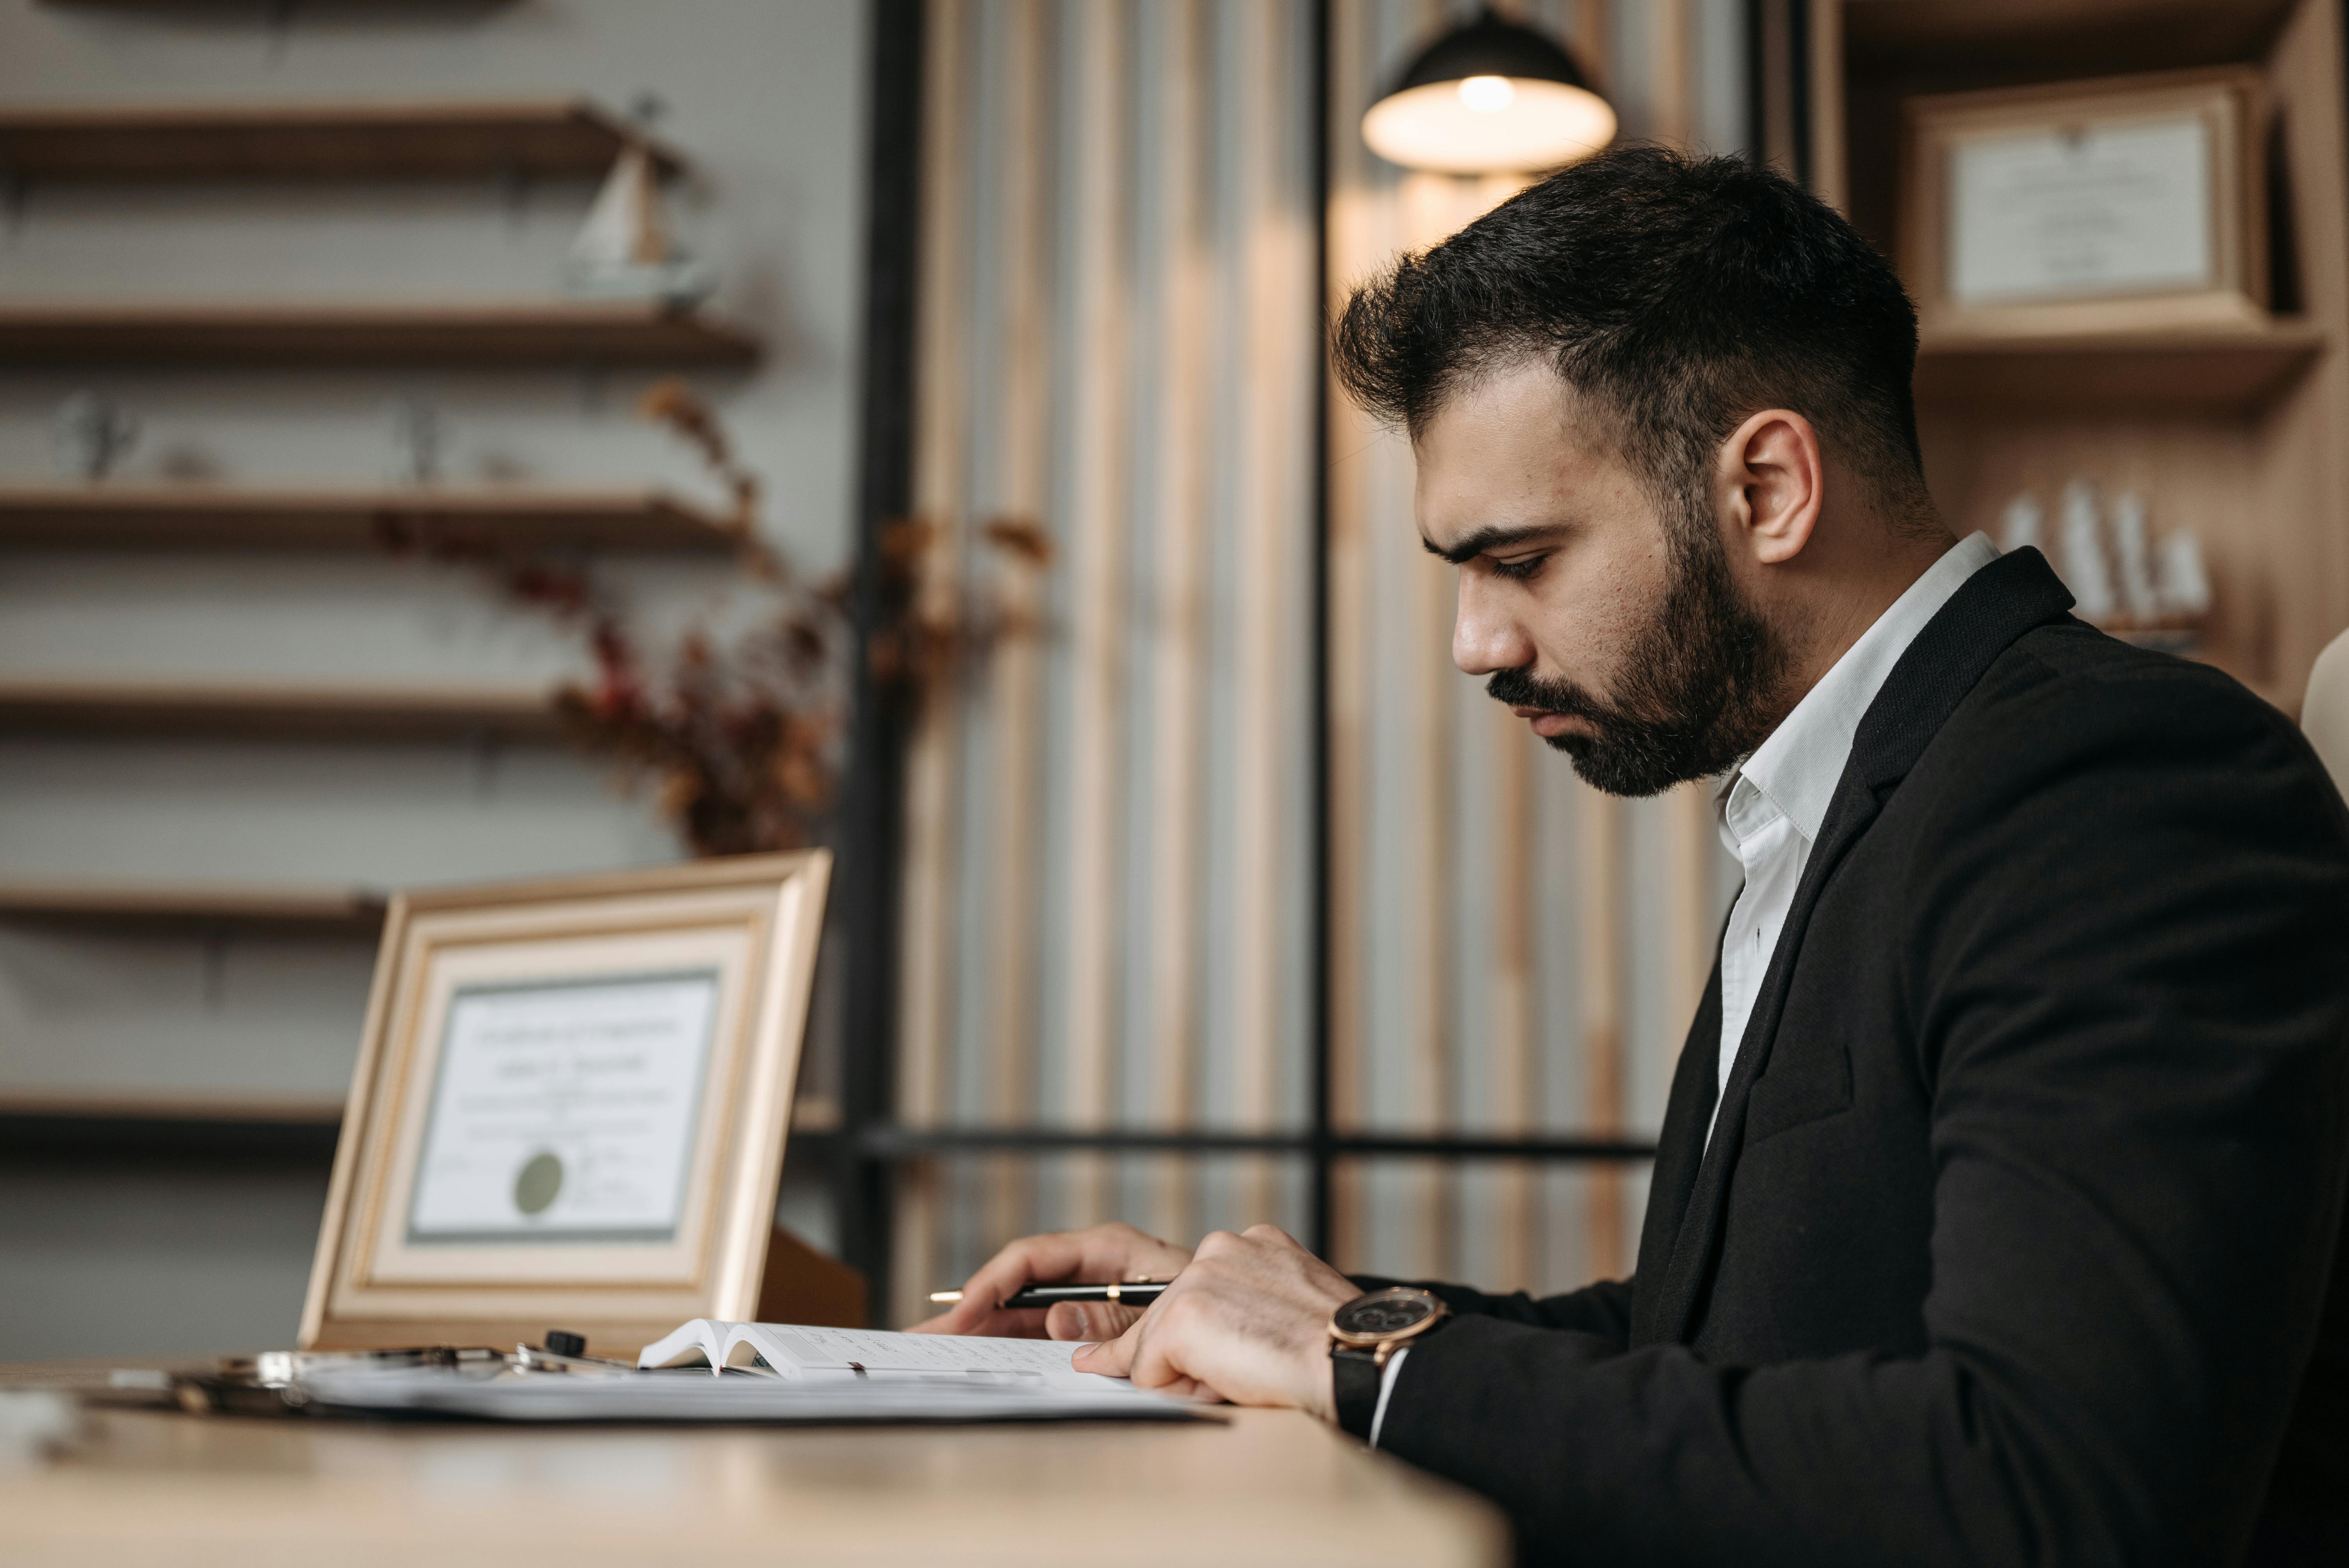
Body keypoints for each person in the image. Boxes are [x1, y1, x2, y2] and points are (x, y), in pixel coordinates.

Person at [914, 146, 2349, 1566]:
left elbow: (2050, 1487)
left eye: (1522, 560)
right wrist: (1277, 1315)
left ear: (1770, 488)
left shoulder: (2114, 784)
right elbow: (1712, 1347)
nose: (1478, 644)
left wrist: (1359, 1358)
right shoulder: (1840, 797)